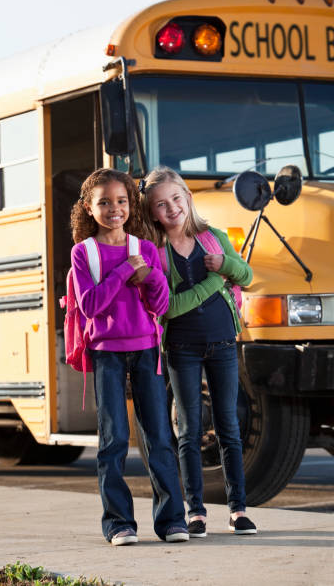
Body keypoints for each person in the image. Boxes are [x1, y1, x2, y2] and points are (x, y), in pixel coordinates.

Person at [69, 168, 188, 546]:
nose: (114, 209)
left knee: (158, 437)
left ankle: (172, 521)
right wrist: (124, 271)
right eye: (104, 202)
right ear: (89, 208)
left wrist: (149, 276)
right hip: (106, 354)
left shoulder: (145, 248)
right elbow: (89, 305)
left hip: (146, 351)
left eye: (121, 201)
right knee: (114, 439)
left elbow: (161, 303)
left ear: (130, 205)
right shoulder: (83, 252)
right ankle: (118, 523)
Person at [140, 166, 257, 537]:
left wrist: (226, 265)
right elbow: (170, 309)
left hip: (223, 343)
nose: (172, 208)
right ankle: (196, 511)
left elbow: (247, 275)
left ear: (188, 199)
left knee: (229, 428)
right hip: (181, 348)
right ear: (153, 213)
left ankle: (238, 509)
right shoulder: (157, 253)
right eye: (161, 205)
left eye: (176, 199)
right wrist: (213, 281)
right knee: (189, 431)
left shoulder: (213, 238)